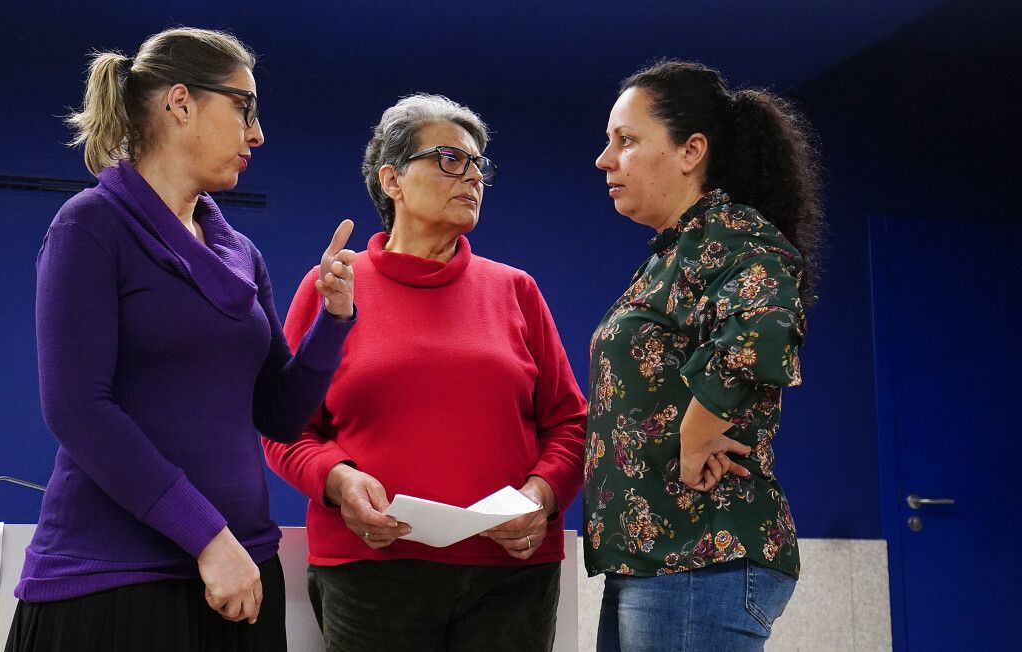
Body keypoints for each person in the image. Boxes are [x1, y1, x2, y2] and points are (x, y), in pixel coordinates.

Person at [6, 27, 357, 652]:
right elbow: (77, 410)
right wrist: (205, 536)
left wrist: (333, 323)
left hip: (242, 574)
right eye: (244, 106)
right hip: (116, 578)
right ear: (180, 103)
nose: (258, 134)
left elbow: (278, 414)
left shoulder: (240, 253)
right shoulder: (90, 225)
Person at [264, 94, 587, 652]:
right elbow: (284, 427)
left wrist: (544, 494)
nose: (473, 176)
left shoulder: (515, 289)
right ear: (392, 179)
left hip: (511, 575)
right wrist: (339, 482)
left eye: (479, 164)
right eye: (449, 158)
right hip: (370, 575)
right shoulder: (334, 288)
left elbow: (571, 425)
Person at [584, 60, 822, 651]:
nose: (605, 159)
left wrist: (696, 434)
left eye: (627, 141)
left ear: (691, 150)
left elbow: (762, 324)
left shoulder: (734, 235)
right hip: (657, 558)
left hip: (700, 552)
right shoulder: (674, 254)